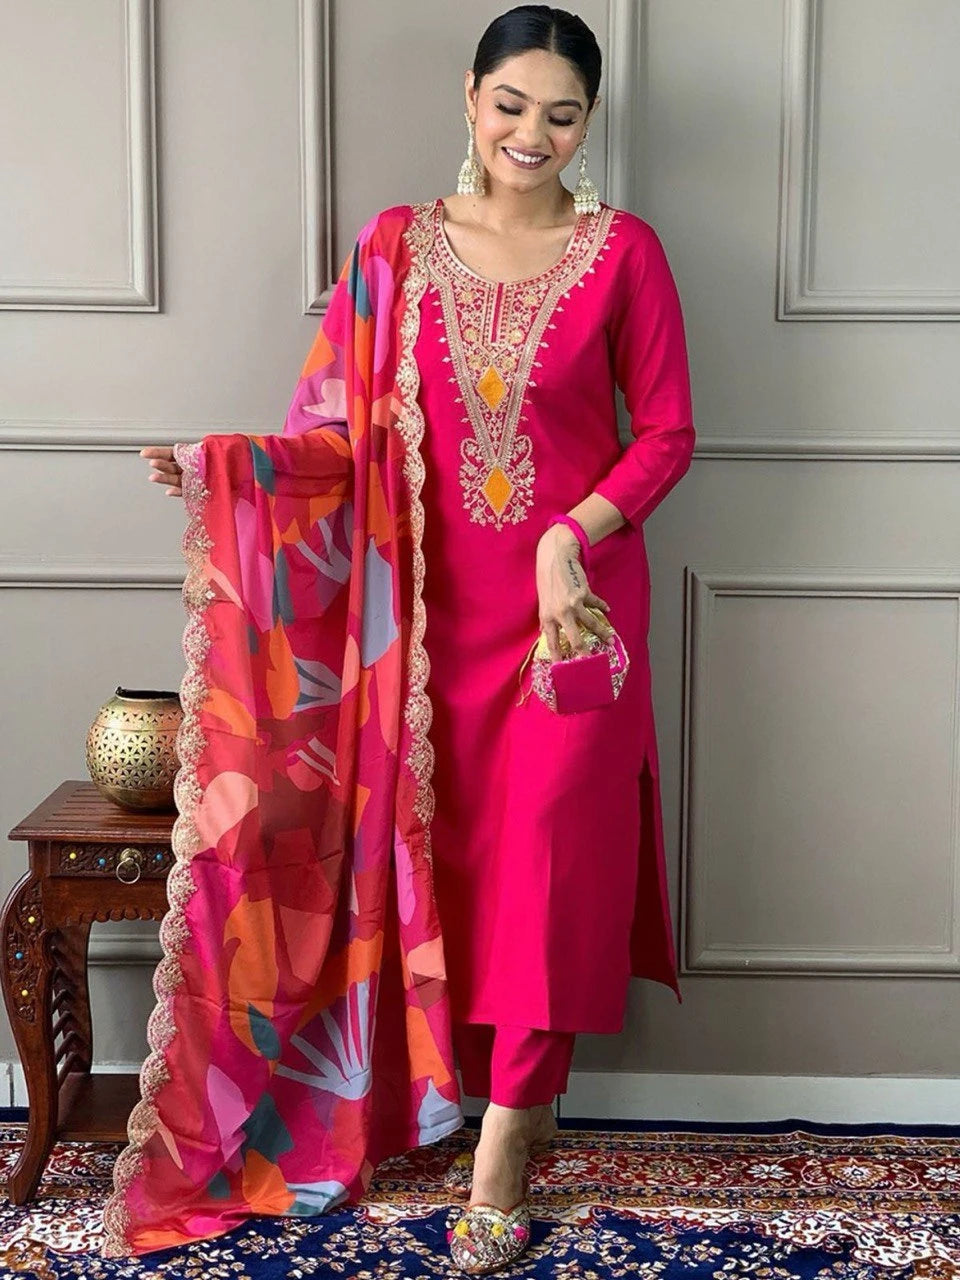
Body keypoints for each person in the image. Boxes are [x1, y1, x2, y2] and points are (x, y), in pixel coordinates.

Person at [105, 6, 694, 1273]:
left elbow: (667, 434)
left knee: (547, 866)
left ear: (589, 124)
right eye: (512, 103)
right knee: (452, 861)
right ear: (470, 97)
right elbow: (338, 439)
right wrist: (228, 470)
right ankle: (443, 1092)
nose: (532, 133)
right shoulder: (396, 248)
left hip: (569, 616)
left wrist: (564, 538)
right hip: (419, 629)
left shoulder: (624, 252)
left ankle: (505, 1143)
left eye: (563, 113)